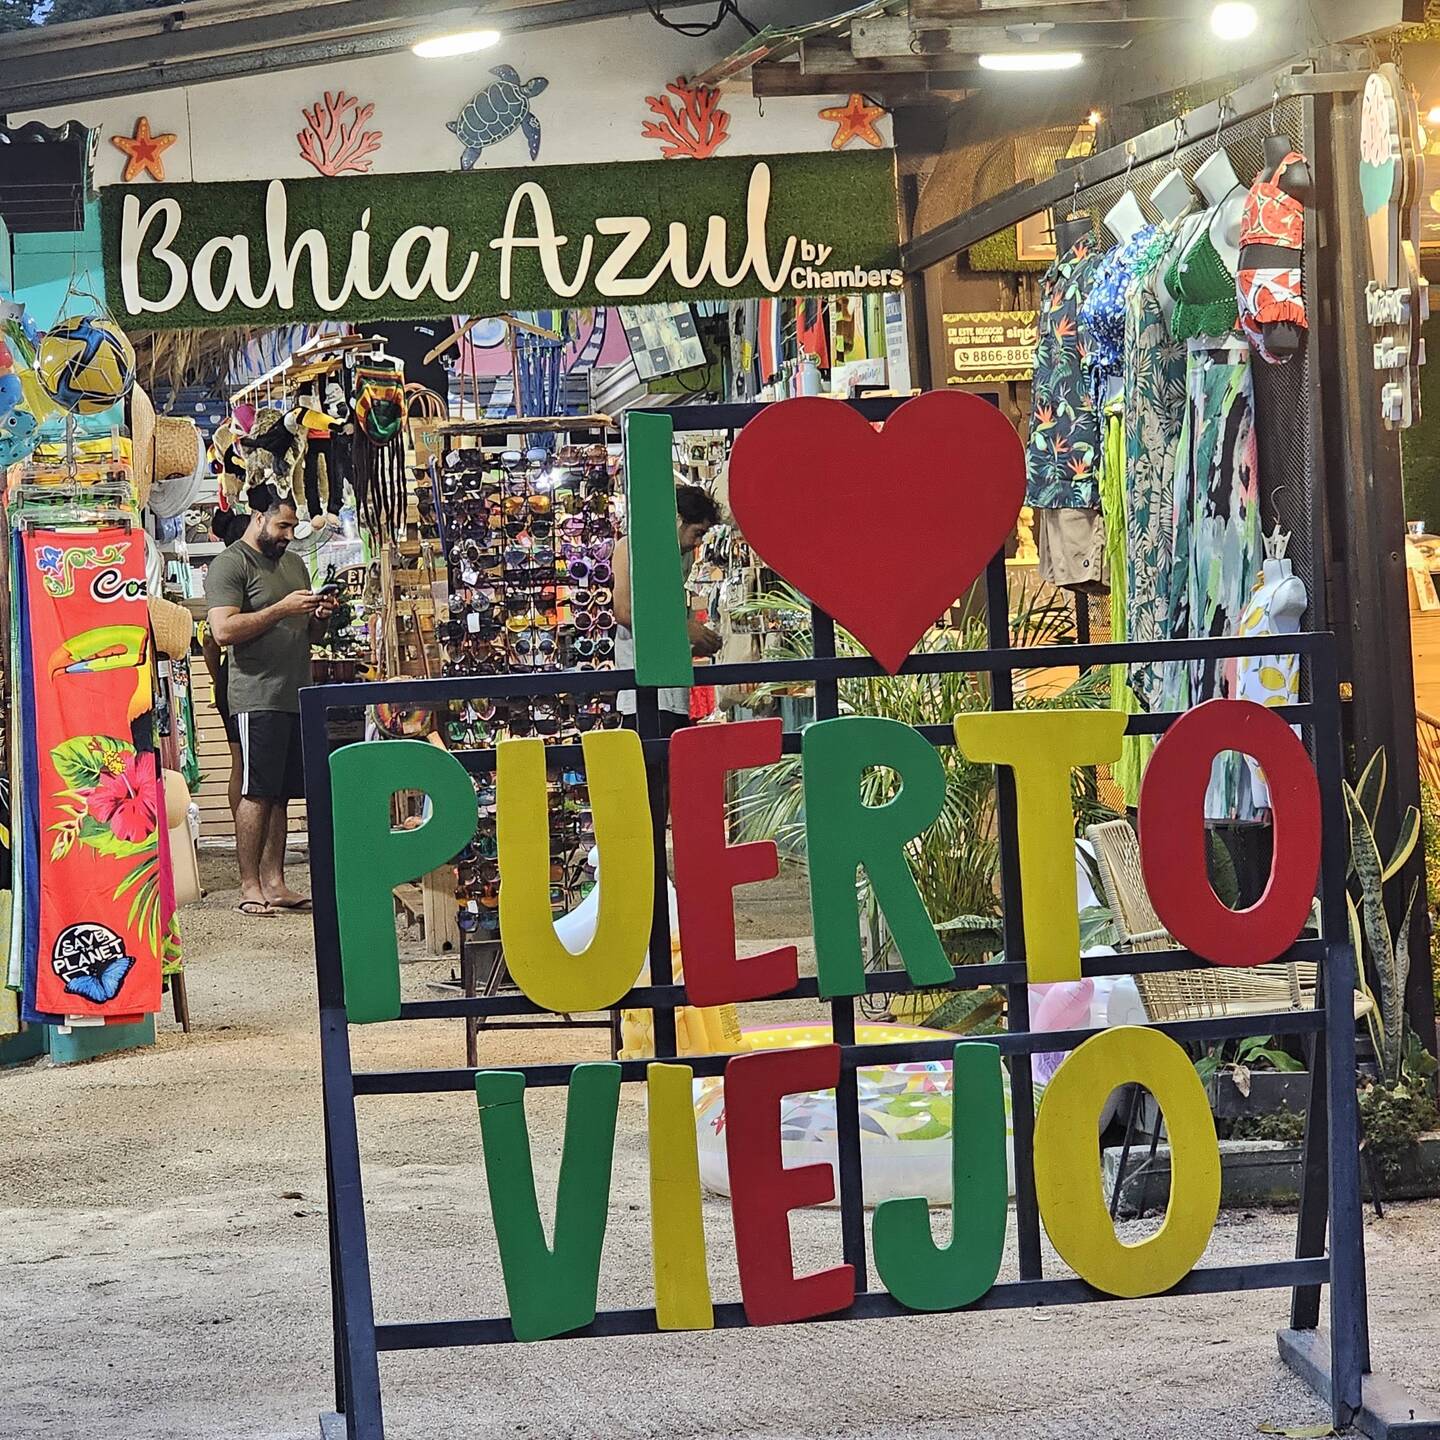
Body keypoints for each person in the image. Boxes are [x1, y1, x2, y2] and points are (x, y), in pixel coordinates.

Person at [205, 491, 336, 916]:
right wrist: (280, 609)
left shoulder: (294, 564)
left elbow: (309, 636)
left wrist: (320, 617)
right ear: (258, 518)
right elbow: (222, 631)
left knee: (281, 795)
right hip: (256, 695)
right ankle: (249, 885)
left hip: (295, 694)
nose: (289, 535)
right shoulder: (231, 564)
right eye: (282, 526)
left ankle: (276, 883)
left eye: (293, 527)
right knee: (257, 792)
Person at [613, 483, 722, 738]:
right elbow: (624, 612)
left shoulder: (683, 557)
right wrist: (682, 630)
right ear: (678, 520)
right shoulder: (630, 548)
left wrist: (694, 642)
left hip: (675, 692)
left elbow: (665, 615)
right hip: (643, 693)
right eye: (696, 532)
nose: (697, 542)